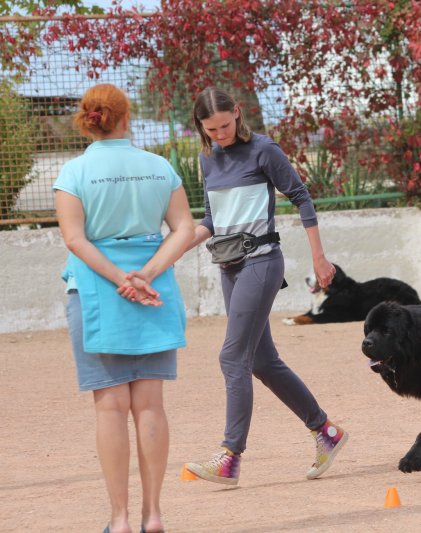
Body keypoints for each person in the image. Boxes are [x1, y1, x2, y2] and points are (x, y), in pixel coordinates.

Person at [181, 86, 348, 485]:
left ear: (237, 113)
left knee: (231, 356)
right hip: (230, 266)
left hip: (261, 262)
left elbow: (301, 197)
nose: (220, 134)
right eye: (212, 129)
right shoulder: (208, 158)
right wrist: (168, 250)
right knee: (260, 361)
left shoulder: (263, 150)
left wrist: (319, 257)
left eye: (225, 125)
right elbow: (210, 219)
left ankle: (230, 456)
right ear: (201, 128)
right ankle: (326, 432)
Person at [54, 83, 195, 533]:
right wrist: (147, 274)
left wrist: (120, 279)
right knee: (150, 403)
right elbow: (184, 228)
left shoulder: (74, 172)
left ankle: (120, 520)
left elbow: (75, 239)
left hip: (98, 290)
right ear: (126, 117)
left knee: (110, 406)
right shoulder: (159, 167)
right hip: (154, 291)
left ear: (88, 118)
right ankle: (153, 516)